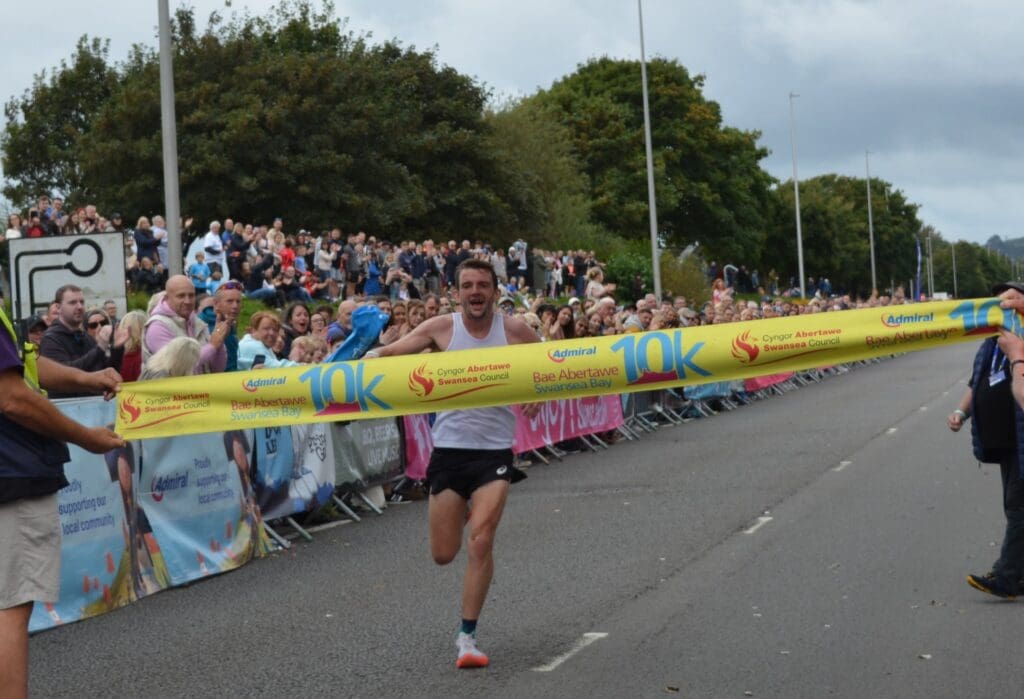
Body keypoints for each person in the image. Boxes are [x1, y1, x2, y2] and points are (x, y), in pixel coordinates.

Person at [367, 258, 541, 669]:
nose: (475, 291)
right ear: (456, 291)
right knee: (444, 553)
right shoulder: (442, 329)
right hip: (449, 453)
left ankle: (467, 637)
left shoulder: (513, 330)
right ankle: (461, 511)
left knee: (481, 540)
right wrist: (367, 355)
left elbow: (550, 362)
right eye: (468, 285)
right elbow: (389, 354)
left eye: (483, 284)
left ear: (495, 292)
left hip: (495, 453)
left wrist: (541, 389)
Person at [0, 304, 124, 698]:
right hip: (11, 473)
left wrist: (86, 378)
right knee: (9, 606)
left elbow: (22, 367)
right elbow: (11, 397)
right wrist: (85, 437)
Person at [952, 281, 1024, 599]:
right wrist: (961, 411)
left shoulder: (1019, 338)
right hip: (1005, 441)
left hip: (1020, 436)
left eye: (1009, 298)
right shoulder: (991, 342)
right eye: (997, 299)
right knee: (1015, 507)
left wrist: (1017, 355)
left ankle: (1007, 577)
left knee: (1019, 507)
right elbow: (976, 381)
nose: (1001, 303)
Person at [142, 275, 228, 374]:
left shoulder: (198, 323)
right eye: (181, 296)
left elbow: (218, 369)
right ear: (167, 298)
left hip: (201, 388)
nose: (187, 301)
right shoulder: (157, 326)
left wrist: (219, 341)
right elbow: (177, 366)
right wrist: (212, 346)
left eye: (191, 295)